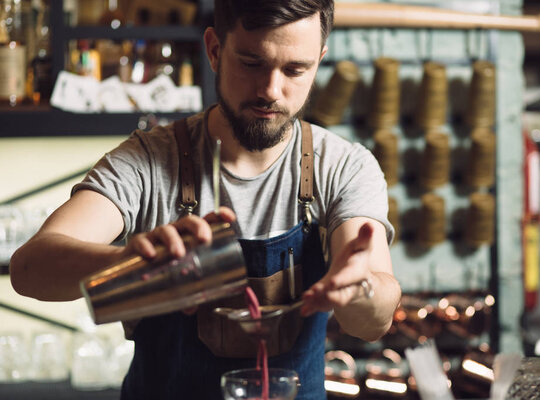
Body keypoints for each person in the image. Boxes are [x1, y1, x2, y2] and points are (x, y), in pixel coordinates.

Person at [10, 0, 402, 398]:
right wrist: (126, 263)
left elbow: (374, 321)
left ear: (319, 60)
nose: (271, 90)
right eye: (251, 63)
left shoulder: (343, 167)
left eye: (294, 70)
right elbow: (29, 269)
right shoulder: (147, 161)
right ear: (214, 50)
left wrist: (360, 290)